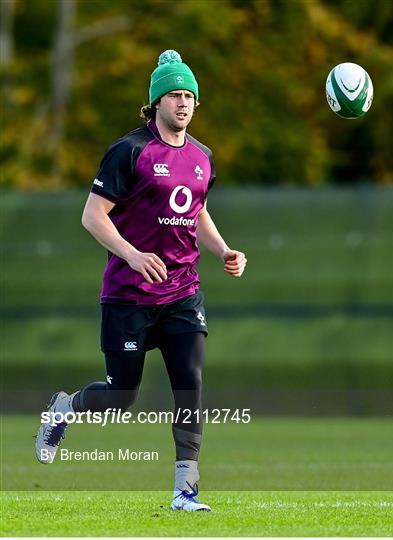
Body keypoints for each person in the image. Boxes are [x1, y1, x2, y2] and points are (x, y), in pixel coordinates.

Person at [35, 50, 247, 511]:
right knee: (122, 395)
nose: (184, 103)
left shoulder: (202, 156)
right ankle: (64, 409)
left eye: (190, 95)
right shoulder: (129, 151)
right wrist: (132, 255)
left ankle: (184, 493)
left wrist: (224, 250)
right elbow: (93, 216)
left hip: (183, 293)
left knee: (189, 387)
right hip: (129, 295)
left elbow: (197, 212)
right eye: (175, 94)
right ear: (155, 103)